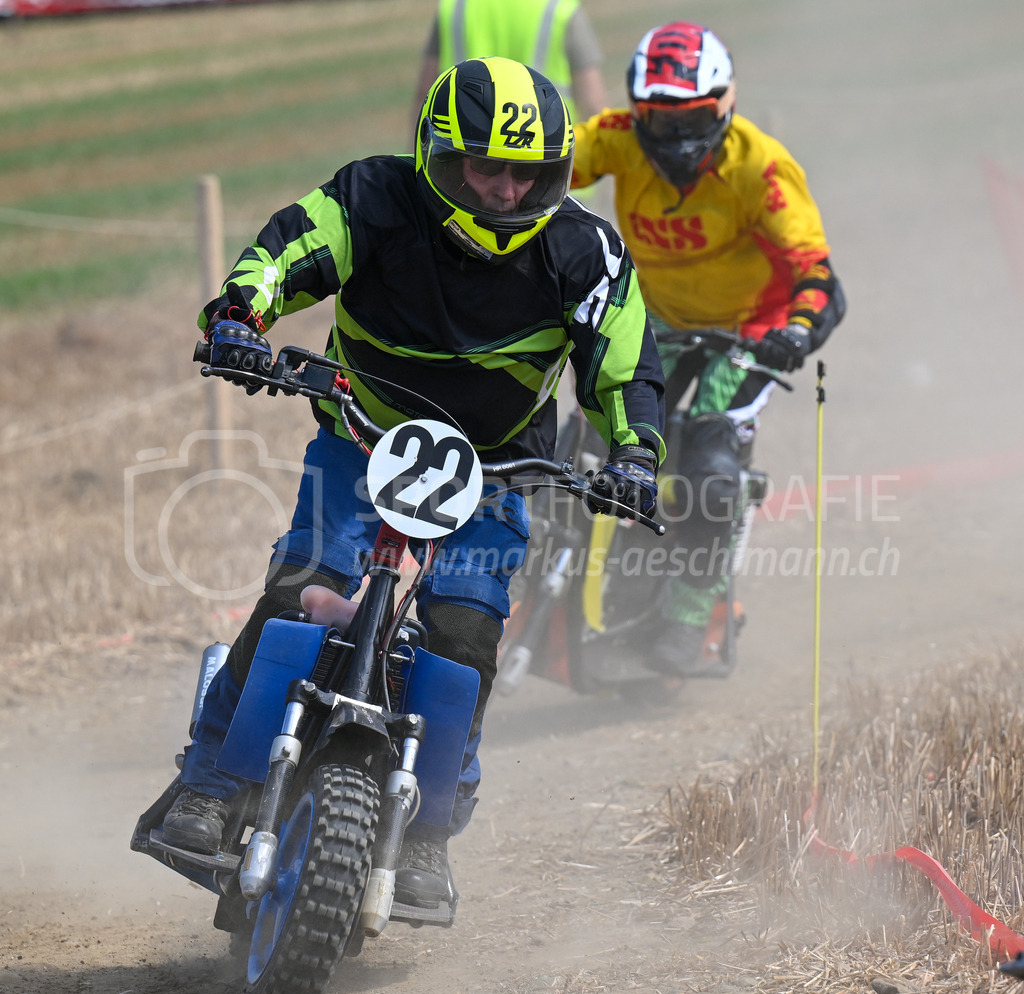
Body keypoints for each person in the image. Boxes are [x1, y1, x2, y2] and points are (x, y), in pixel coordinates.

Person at [161, 56, 665, 910]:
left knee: (464, 637)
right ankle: (208, 781)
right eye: (486, 167)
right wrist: (242, 314)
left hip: (497, 470)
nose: (507, 191)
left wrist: (634, 454)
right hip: (361, 443)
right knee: (299, 591)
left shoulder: (586, 249)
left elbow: (623, 363)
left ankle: (426, 833)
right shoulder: (374, 197)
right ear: (438, 156)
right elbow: (291, 246)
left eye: (528, 173)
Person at [569, 21, 846, 676]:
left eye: (691, 119)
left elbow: (819, 277)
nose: (676, 139)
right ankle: (604, 589)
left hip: (750, 330)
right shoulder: (615, 137)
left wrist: (798, 332)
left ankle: (692, 617)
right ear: (635, 113)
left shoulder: (765, 169)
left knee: (711, 470)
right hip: (657, 317)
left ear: (725, 104)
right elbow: (541, 168)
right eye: (657, 122)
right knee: (612, 440)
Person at [412, 0, 607, 135]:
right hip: (547, 165)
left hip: (467, 163)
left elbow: (425, 93)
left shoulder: (455, 8)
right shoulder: (560, 10)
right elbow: (593, 103)